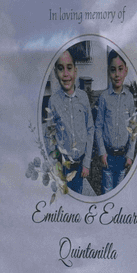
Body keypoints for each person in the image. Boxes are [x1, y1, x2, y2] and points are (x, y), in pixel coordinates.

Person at [44, 49, 93, 194]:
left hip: (80, 164)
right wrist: (54, 164)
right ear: (55, 72)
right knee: (64, 201)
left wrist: (87, 162)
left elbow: (90, 129)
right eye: (61, 68)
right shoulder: (53, 101)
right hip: (62, 166)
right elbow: (49, 135)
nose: (65, 74)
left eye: (69, 68)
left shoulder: (83, 98)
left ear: (75, 71)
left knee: (77, 196)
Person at [94, 50, 137, 194]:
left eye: (120, 69)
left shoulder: (129, 98)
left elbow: (134, 128)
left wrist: (130, 155)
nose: (117, 74)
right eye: (113, 70)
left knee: (120, 191)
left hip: (123, 156)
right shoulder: (104, 98)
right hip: (108, 155)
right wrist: (102, 152)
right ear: (108, 72)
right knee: (107, 189)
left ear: (126, 71)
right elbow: (98, 127)